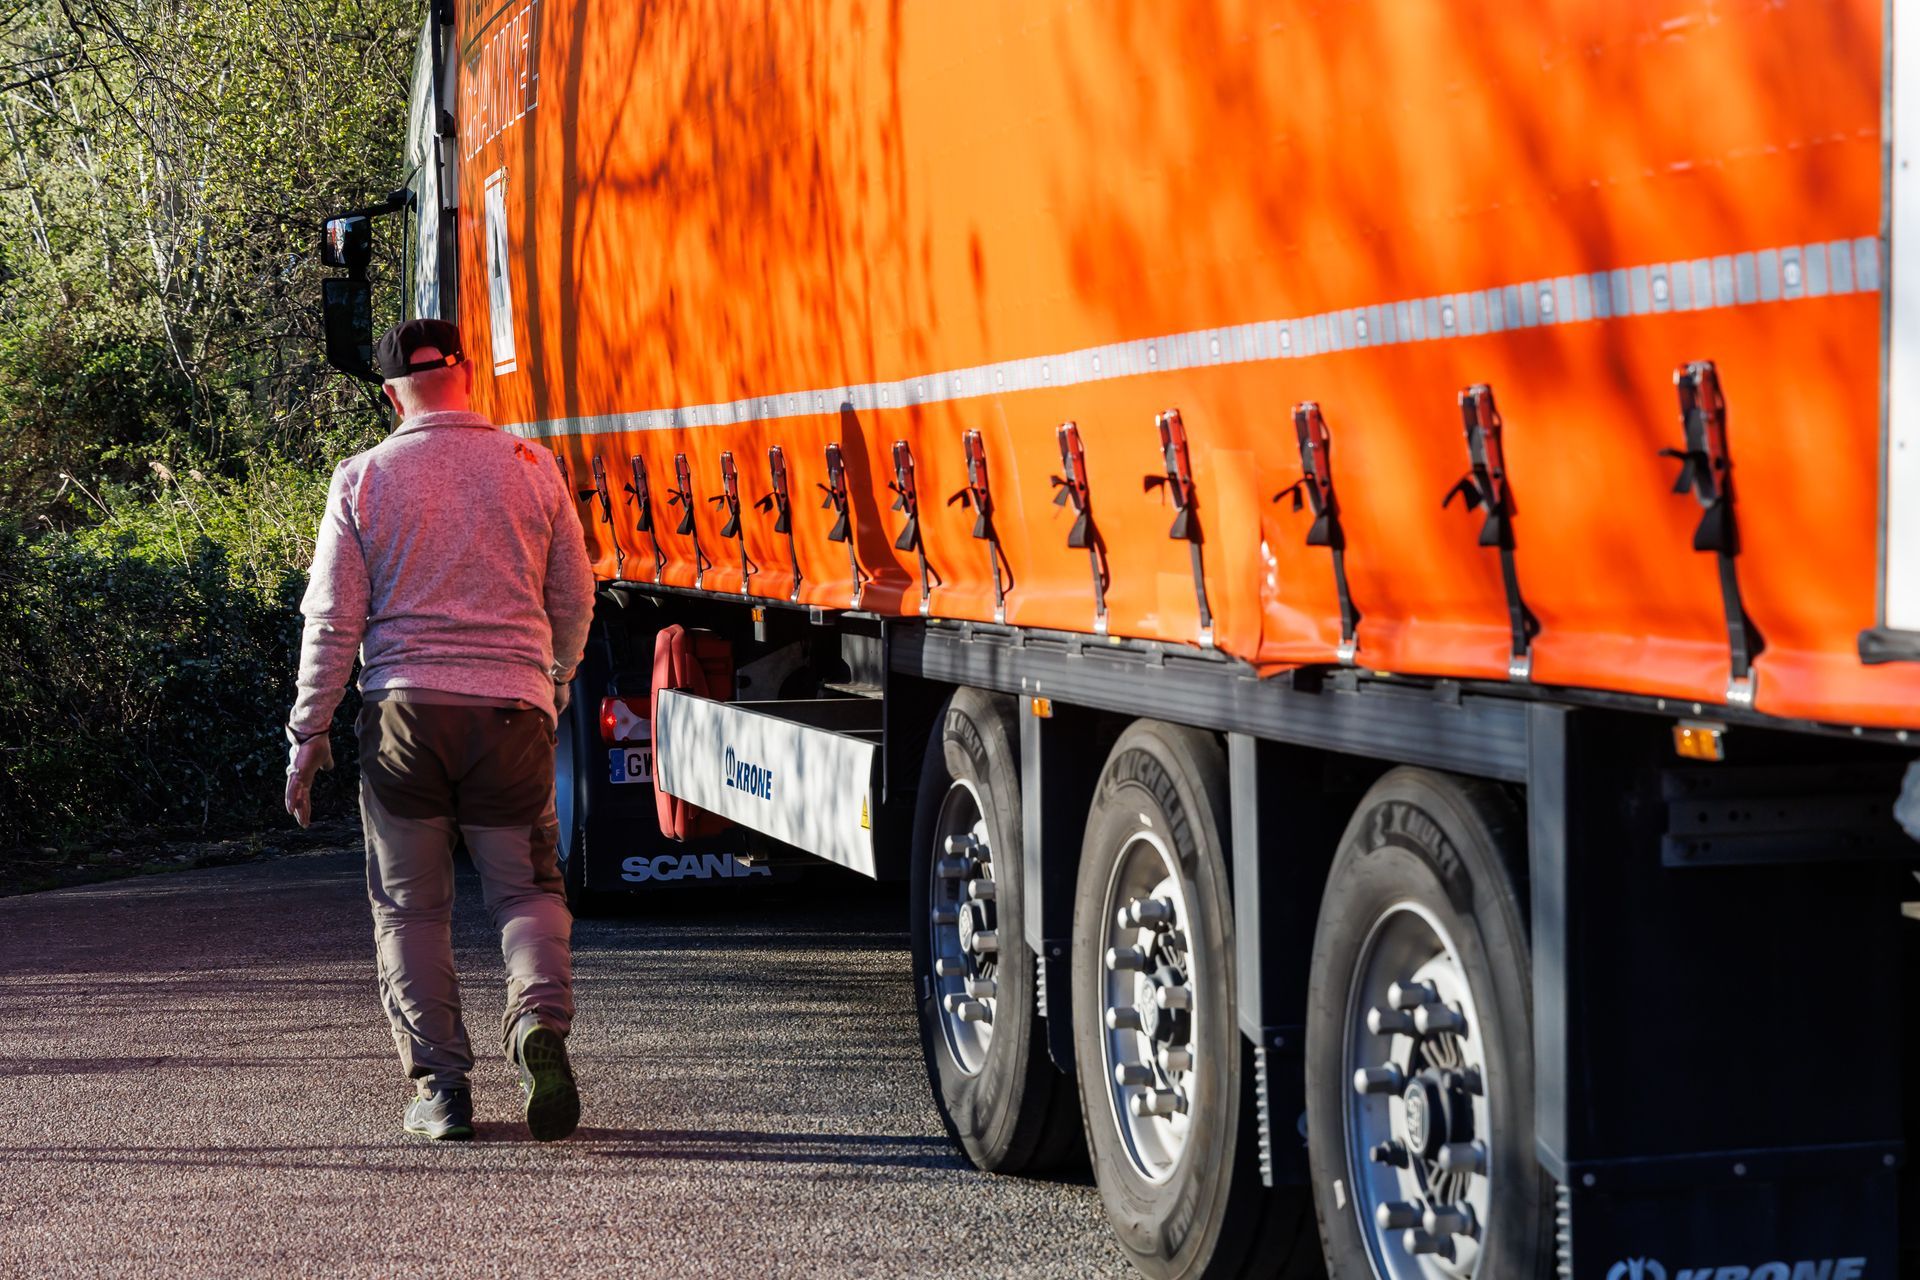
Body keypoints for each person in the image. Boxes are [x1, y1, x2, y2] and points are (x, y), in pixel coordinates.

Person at [282, 317, 595, 1142]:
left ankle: (442, 1092)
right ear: (466, 378)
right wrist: (551, 680)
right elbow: (573, 597)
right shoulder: (532, 467)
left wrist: (308, 733)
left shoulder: (364, 478)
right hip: (511, 714)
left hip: (403, 722)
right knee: (527, 890)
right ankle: (538, 1025)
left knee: (413, 912)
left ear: (391, 394)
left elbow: (332, 621)